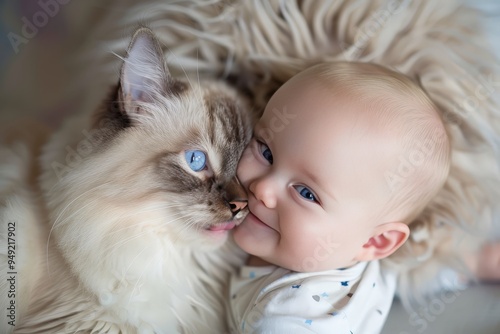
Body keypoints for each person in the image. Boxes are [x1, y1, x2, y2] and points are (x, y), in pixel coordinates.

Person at [227, 61, 452, 334]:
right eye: (266, 152)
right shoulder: (354, 246)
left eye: (306, 193)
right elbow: (414, 272)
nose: (263, 189)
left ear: (375, 241)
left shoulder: (283, 318)